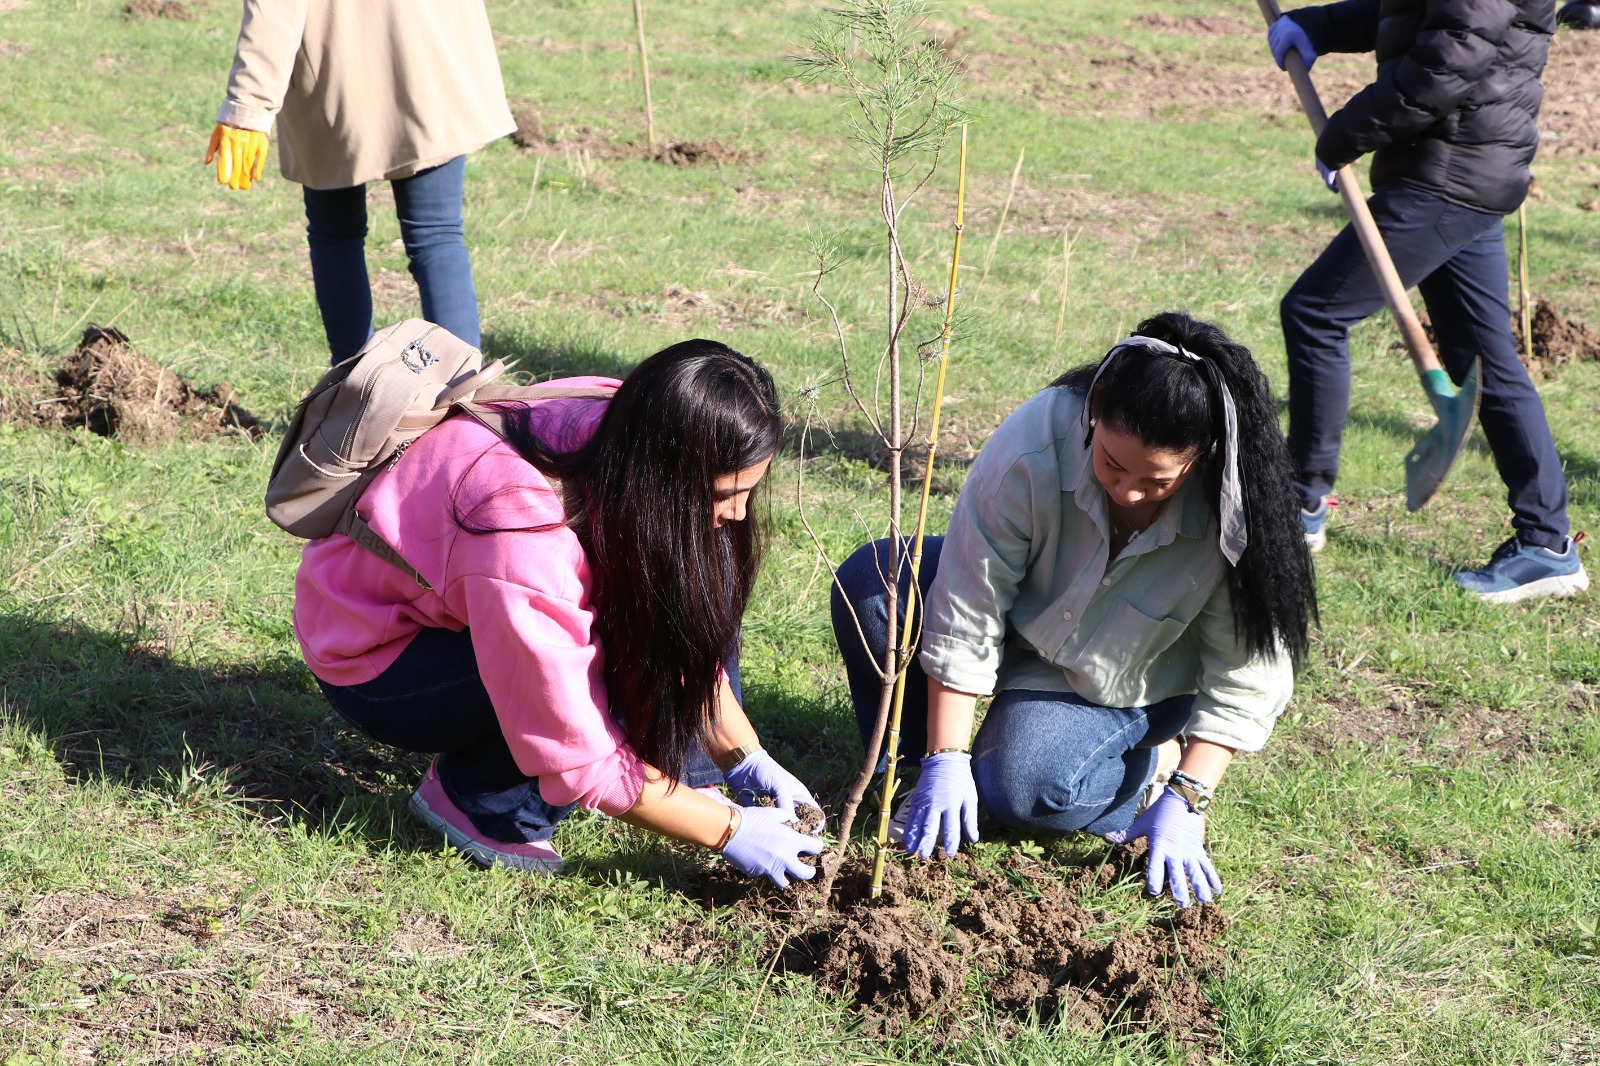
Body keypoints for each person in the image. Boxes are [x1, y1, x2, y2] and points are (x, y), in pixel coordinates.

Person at [294, 340, 825, 887]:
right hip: (381, 659)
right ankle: (481, 802)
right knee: (611, 646)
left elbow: (679, 615)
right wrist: (729, 830)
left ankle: (683, 774)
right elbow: (572, 739)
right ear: (663, 479)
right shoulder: (516, 524)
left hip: (475, 606)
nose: (737, 513)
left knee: (695, 569)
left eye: (747, 492)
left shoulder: (637, 420)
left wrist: (745, 757)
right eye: (724, 495)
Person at [831, 313, 1317, 908]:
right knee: (875, 586)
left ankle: (1144, 773)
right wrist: (946, 756)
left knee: (1026, 786)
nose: (1128, 491)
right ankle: (915, 778)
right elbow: (968, 595)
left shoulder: (1237, 508)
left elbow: (1249, 671)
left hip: (1128, 679)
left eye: (1157, 481)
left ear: (1200, 459)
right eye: (1112, 463)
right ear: (1095, 411)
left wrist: (1189, 795)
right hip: (1026, 620)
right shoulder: (1037, 440)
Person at [1267, 0, 1588, 602]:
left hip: (1448, 170)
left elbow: (1448, 59)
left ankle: (1300, 503)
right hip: (1463, 163)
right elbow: (1415, 11)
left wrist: (1346, 133)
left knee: (1315, 311)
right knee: (1482, 357)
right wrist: (1319, 25)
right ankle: (1547, 545)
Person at [206, 0, 514, 364]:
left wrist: (248, 105)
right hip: (433, 54)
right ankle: (465, 401)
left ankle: (355, 398)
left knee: (337, 234)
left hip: (338, 67)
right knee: (438, 234)